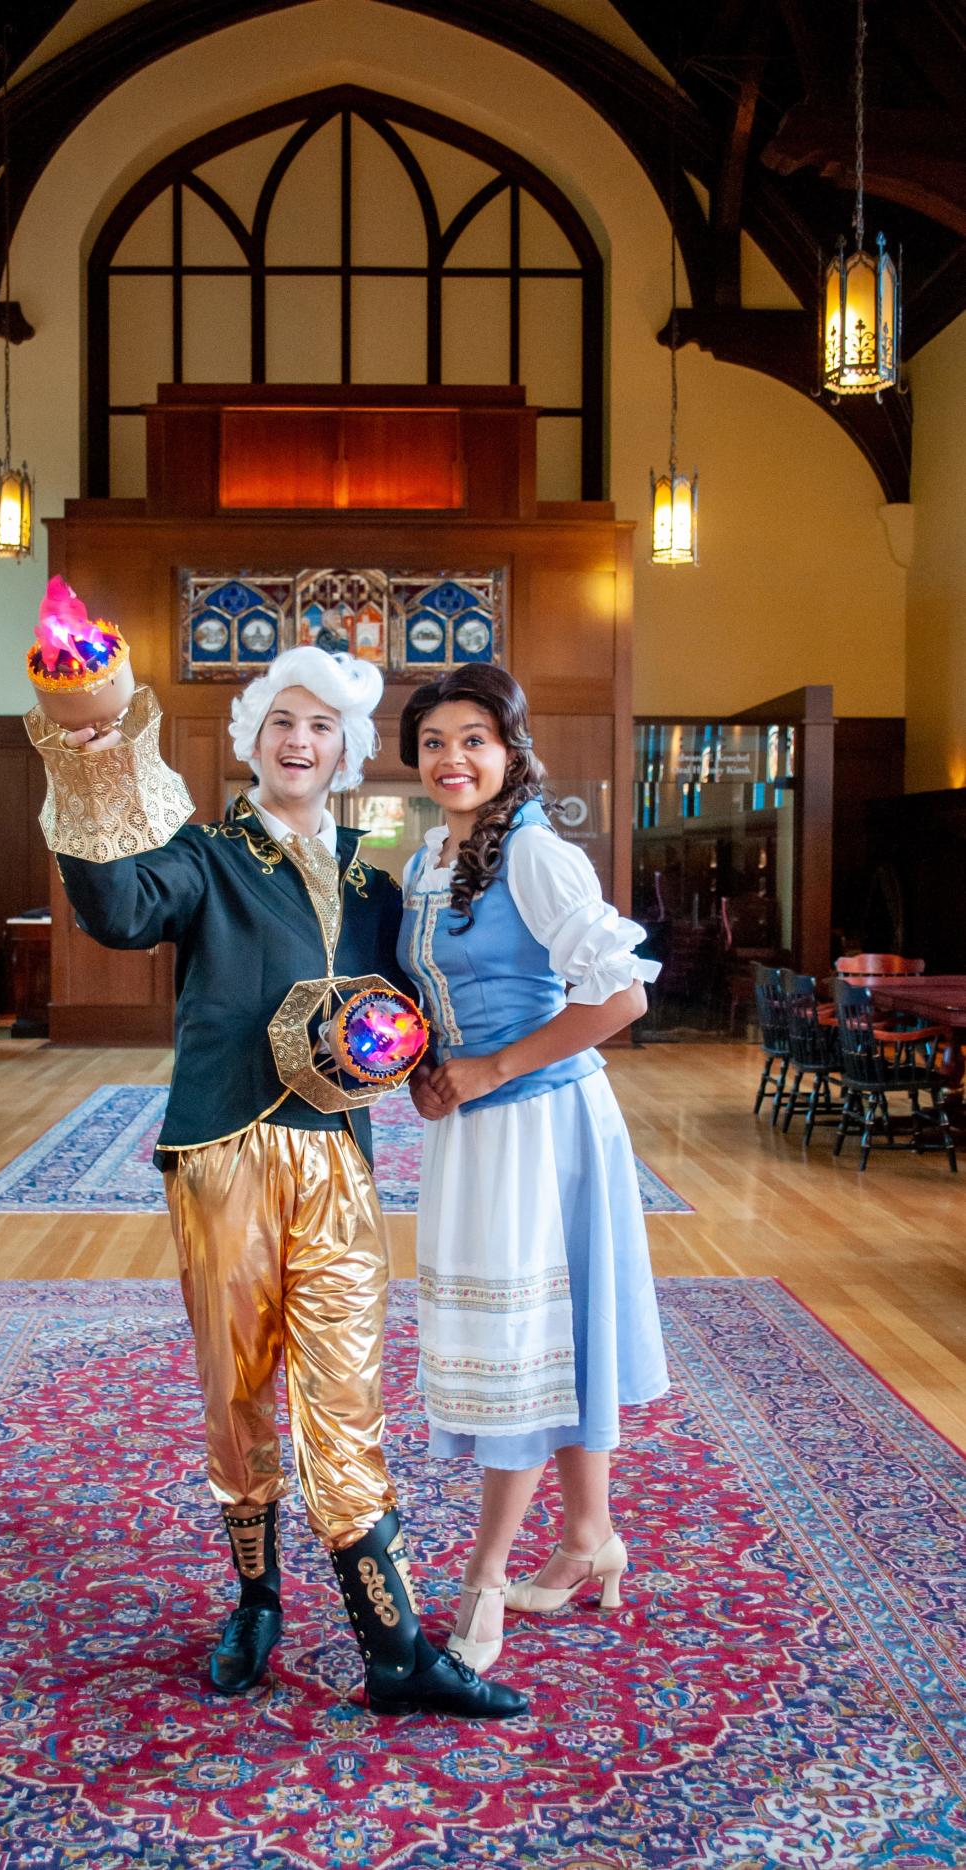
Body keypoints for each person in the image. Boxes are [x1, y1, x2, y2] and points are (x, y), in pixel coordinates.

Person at [31, 644, 525, 1718]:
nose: (300, 741)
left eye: (321, 726)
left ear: (346, 750)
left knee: (348, 1394)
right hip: (224, 1152)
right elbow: (117, 911)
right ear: (254, 741)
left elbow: (405, 1009)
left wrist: (429, 1054)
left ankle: (393, 1646)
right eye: (281, 724)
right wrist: (91, 763)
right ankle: (257, 1597)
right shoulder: (204, 854)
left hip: (338, 1157)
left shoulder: (372, 877)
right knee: (240, 1392)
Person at [399, 665, 668, 1673]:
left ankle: (483, 1580)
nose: (453, 757)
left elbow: (622, 999)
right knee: (544, 1337)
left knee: (518, 1351)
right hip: (471, 1130)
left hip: (544, 1123)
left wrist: (490, 1068)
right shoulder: (429, 853)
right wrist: (429, 1067)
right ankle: (590, 1535)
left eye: (474, 738)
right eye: (433, 741)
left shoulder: (536, 853)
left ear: (510, 751)